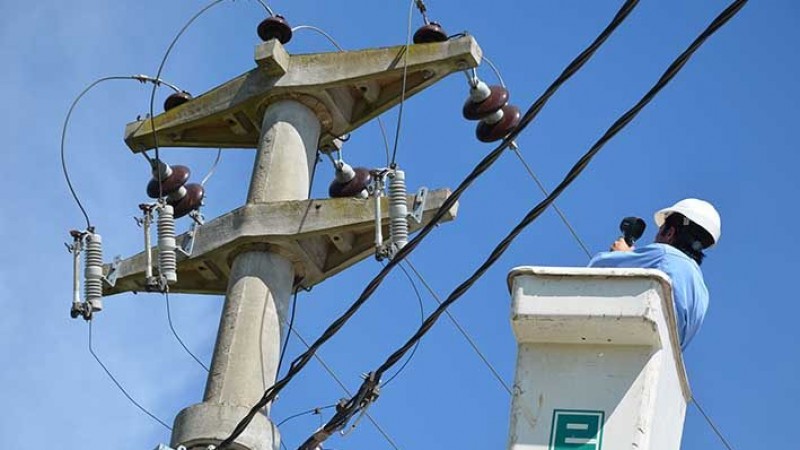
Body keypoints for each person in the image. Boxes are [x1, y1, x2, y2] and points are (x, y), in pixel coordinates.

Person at [588, 199, 721, 350]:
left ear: (670, 233)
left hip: (633, 341)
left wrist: (622, 253)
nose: (655, 238)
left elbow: (598, 266)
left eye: (660, 231)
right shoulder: (702, 291)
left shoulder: (664, 254)